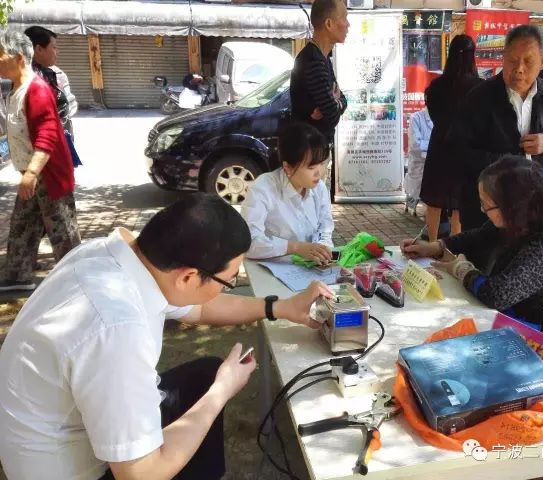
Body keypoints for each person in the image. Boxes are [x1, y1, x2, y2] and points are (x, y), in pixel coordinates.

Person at [0, 192, 332, 480]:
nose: (228, 287)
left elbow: (199, 308)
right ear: (188, 277)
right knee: (210, 388)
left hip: (64, 429)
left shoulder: (115, 256)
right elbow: (141, 473)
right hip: (73, 470)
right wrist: (222, 391)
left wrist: (280, 307)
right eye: (229, 280)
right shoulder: (117, 330)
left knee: (203, 376)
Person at [401, 155, 543, 365]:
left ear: (513, 205)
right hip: (520, 317)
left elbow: (497, 295)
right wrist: (437, 246)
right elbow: (479, 236)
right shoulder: (523, 219)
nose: (482, 210)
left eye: (486, 205)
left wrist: (462, 269)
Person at [452, 25, 543, 231]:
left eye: (528, 61)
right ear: (503, 57)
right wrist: (512, 163)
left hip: (535, 209)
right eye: (512, 60)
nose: (519, 68)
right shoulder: (479, 97)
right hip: (486, 211)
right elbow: (457, 150)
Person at [0, 30, 80, 292]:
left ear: (18, 57)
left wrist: (31, 173)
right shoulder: (15, 88)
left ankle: (79, 280)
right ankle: (16, 276)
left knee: (62, 231)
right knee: (23, 225)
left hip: (48, 174)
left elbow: (47, 136)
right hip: (32, 173)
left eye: (0, 55)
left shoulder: (37, 90)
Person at [419, 34, 483, 241]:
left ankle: (431, 242)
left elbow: (433, 114)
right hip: (466, 148)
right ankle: (455, 246)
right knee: (459, 202)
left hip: (440, 144)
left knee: (435, 199)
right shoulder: (480, 87)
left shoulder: (436, 86)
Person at [242, 122, 334, 264]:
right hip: (273, 266)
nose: (319, 173)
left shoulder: (319, 188)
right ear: (287, 167)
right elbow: (248, 243)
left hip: (310, 267)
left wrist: (322, 249)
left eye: (322, 163)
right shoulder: (263, 189)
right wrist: (294, 247)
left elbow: (325, 228)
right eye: (311, 167)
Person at [290, 0, 349, 193]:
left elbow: (342, 100)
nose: (348, 24)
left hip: (316, 151)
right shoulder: (313, 61)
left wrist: (335, 102)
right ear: (329, 23)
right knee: (309, 205)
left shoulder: (323, 58)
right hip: (308, 156)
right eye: (344, 18)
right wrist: (334, 103)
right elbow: (332, 114)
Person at [24, 26, 77, 136]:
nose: (57, 52)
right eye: (54, 47)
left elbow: (70, 104)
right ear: (39, 49)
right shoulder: (28, 79)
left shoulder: (55, 74)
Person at [405, 103, 433, 215]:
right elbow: (416, 145)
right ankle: (412, 204)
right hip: (419, 162)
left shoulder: (443, 117)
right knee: (417, 188)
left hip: (435, 161)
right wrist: (434, 144)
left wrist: (429, 144)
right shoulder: (416, 118)